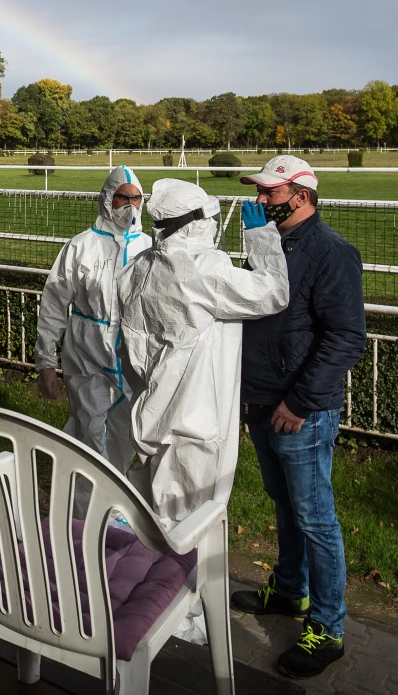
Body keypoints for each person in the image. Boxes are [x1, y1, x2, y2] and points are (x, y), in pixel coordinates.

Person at [229, 155, 366, 679]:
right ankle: (289, 591)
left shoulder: (332, 253)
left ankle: (328, 628)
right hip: (262, 401)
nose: (261, 202)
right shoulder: (268, 245)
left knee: (315, 517)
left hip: (298, 411)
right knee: (284, 505)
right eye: (260, 193)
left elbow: (346, 337)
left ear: (302, 195)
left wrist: (300, 402)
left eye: (270, 193)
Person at [117, 179, 288, 528]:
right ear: (194, 222)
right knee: (187, 528)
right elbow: (273, 293)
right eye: (210, 216)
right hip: (195, 423)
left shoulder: (137, 267)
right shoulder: (205, 269)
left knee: (151, 512)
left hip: (151, 411)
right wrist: (261, 238)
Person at [35, 166, 150, 475]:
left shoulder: (150, 248)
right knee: (90, 433)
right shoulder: (81, 246)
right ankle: (85, 511)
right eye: (122, 198)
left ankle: (112, 504)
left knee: (126, 436)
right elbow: (53, 305)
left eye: (136, 198)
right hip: (87, 357)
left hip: (133, 362)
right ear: (107, 199)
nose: (130, 205)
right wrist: (46, 363)